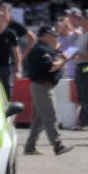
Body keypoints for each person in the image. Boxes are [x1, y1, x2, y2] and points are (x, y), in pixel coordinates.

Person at [24, 25, 73, 156]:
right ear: (45, 35)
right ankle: (58, 145)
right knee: (50, 116)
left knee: (38, 119)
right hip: (42, 87)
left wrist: (59, 58)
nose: (53, 38)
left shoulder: (43, 48)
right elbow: (50, 67)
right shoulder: (41, 49)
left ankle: (30, 146)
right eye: (51, 35)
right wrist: (62, 60)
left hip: (41, 86)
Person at [71, 8, 88, 131]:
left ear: (87, 20)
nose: (78, 21)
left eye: (80, 19)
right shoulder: (82, 34)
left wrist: (77, 54)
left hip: (86, 65)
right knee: (82, 96)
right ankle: (83, 121)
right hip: (80, 65)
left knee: (87, 95)